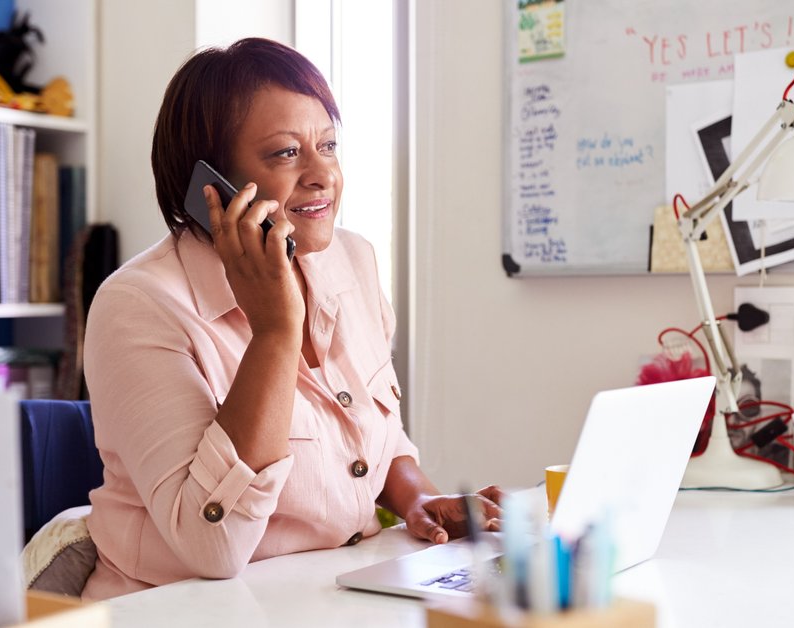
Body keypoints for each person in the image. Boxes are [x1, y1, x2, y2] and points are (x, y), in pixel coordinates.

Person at [80, 38, 502, 600]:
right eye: (285, 153)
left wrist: (416, 498)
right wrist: (276, 332)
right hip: (182, 608)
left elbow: (374, 436)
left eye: (328, 145)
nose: (322, 173)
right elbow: (211, 547)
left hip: (332, 595)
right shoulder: (139, 305)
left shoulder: (351, 259)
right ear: (212, 184)